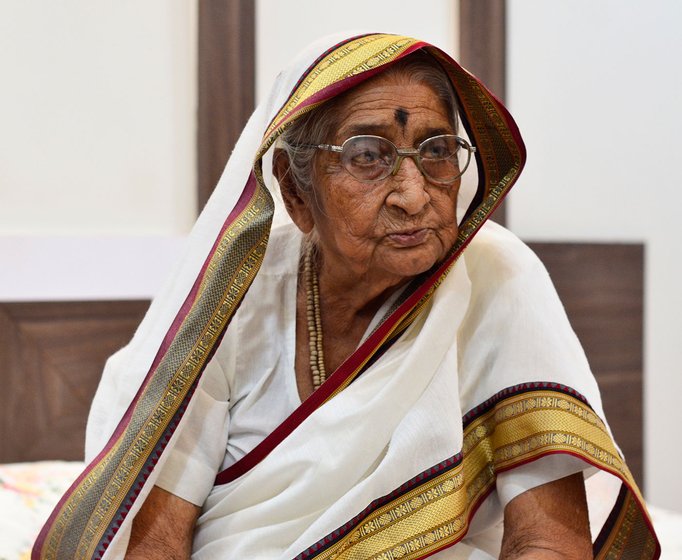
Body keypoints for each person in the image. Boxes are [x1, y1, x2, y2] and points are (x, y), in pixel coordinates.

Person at [33, 32, 659, 560]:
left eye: (438, 151)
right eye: (368, 156)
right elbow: (158, 536)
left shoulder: (498, 277)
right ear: (296, 192)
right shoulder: (237, 298)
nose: (414, 193)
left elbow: (550, 540)